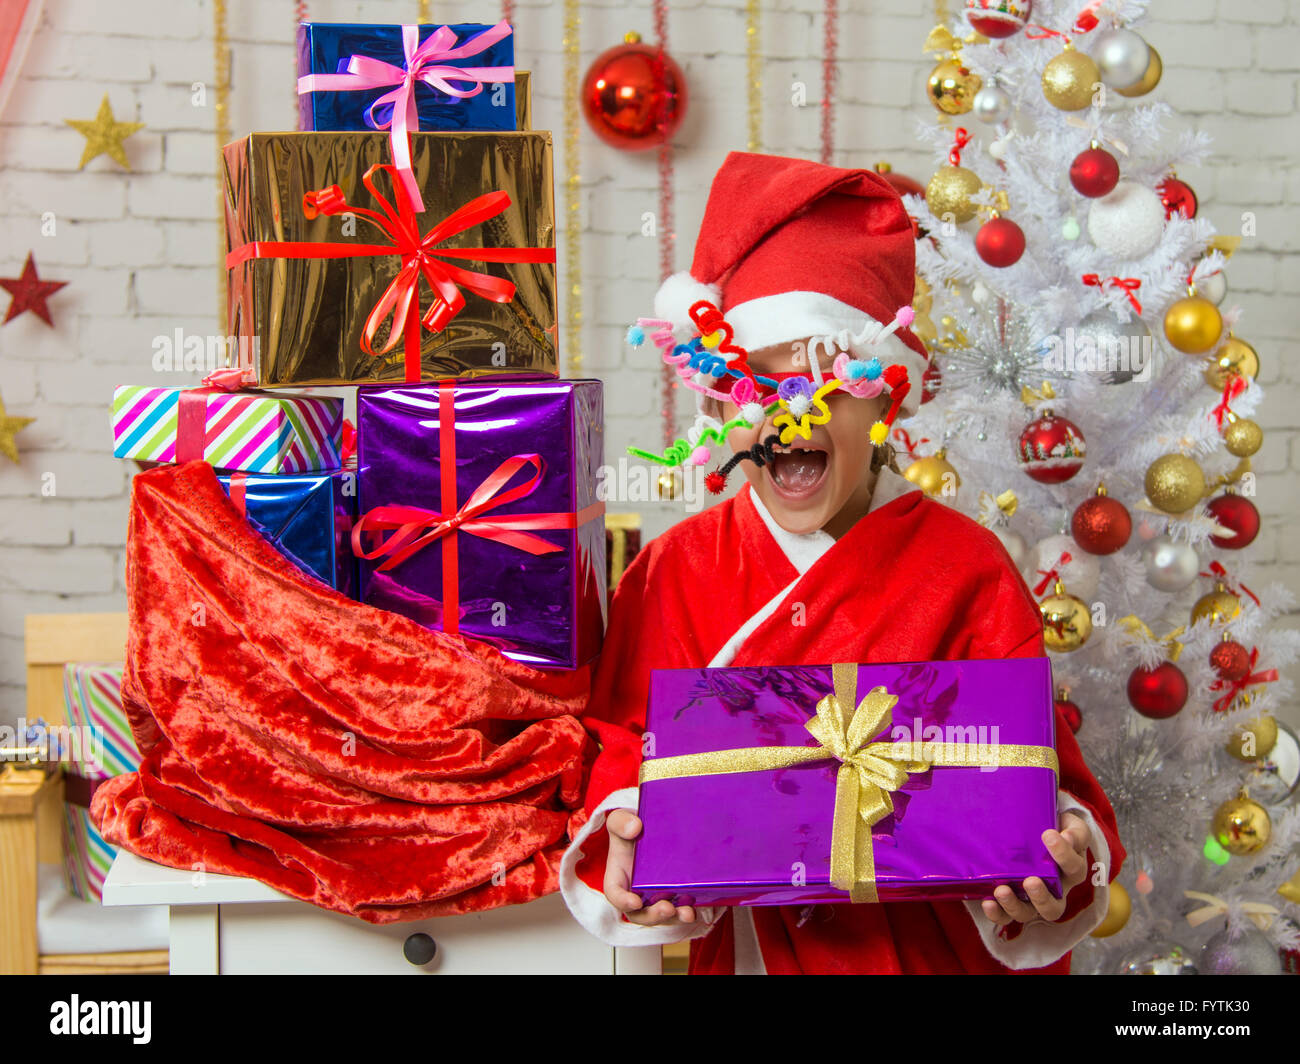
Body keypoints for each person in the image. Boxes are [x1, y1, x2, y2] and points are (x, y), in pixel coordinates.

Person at [559, 152, 1125, 974]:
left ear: (885, 397)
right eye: (756, 386)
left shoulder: (967, 567)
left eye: (830, 379)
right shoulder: (672, 571)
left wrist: (1063, 842)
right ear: (718, 406)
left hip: (931, 953)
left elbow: (1042, 771)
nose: (791, 413)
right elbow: (617, 744)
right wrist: (623, 828)